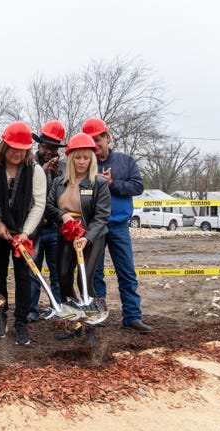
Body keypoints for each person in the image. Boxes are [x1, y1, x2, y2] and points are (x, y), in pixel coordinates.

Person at [82, 117, 154, 334]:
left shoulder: (125, 162)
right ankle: (98, 315)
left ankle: (132, 317)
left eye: (99, 139)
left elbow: (138, 186)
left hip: (118, 225)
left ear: (107, 137)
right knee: (95, 273)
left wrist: (113, 184)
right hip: (94, 227)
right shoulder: (85, 163)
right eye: (91, 141)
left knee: (126, 271)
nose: (96, 144)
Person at [0, 121, 46, 346]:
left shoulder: (35, 171)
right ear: (3, 145)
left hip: (24, 232)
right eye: (12, 147)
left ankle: (21, 323)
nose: (17, 153)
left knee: (23, 277)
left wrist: (26, 232)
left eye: (22, 149)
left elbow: (39, 204)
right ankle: (0, 319)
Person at [46, 133, 111, 344]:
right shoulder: (59, 182)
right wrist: (62, 215)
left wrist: (88, 237)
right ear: (70, 158)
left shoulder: (98, 184)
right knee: (63, 277)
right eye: (77, 157)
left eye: (86, 157)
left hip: (91, 236)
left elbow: (102, 216)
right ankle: (74, 323)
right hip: (66, 234)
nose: (82, 162)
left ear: (91, 159)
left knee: (84, 280)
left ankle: (92, 328)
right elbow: (49, 206)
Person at [27, 120, 67, 322]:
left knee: (57, 272)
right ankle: (31, 310)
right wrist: (42, 172)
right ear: (39, 146)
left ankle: (58, 308)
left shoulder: (64, 167)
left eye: (54, 147)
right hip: (34, 228)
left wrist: (56, 175)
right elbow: (25, 194)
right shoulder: (29, 164)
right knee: (32, 272)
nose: (50, 151)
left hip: (55, 228)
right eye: (46, 146)